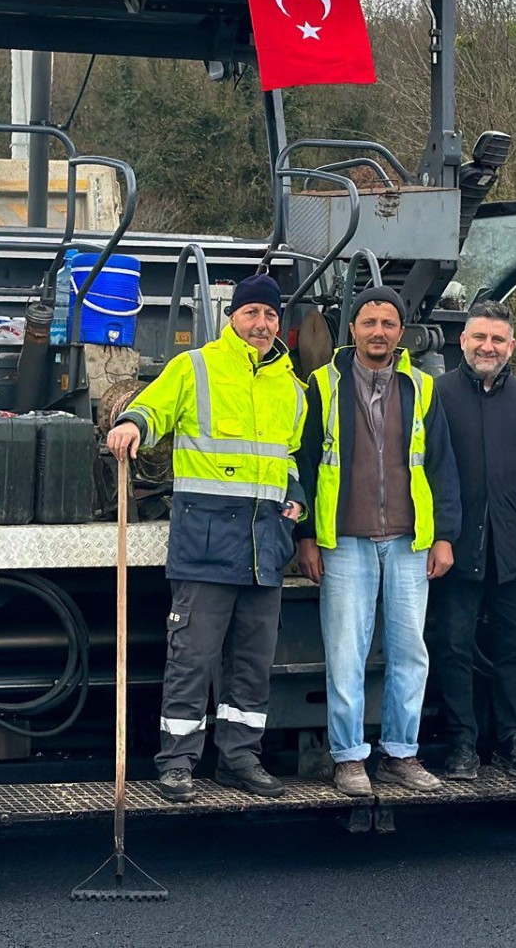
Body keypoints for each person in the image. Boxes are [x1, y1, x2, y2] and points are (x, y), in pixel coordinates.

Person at [106, 274, 308, 802]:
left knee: (252, 664)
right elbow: (153, 408)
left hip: (265, 547)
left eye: (270, 315)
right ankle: (177, 763)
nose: (261, 324)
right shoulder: (193, 366)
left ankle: (240, 759)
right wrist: (132, 424)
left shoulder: (291, 386)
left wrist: (296, 499)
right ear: (231, 317)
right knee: (192, 659)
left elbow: (288, 457)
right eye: (251, 313)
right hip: (206, 544)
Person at [295, 286, 460, 797]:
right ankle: (348, 759)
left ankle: (400, 754)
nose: (379, 332)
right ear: (352, 330)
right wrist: (306, 536)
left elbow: (441, 466)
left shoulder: (422, 387)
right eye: (369, 323)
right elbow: (303, 463)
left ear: (401, 332)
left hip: (409, 542)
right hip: (344, 541)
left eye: (388, 324)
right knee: (346, 655)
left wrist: (444, 537)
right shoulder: (323, 385)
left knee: (411, 653)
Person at [426, 300, 516, 781]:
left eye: (497, 339)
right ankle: (462, 742)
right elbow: (423, 471)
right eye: (480, 337)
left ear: (511, 346)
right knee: (453, 646)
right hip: (455, 548)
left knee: (514, 649)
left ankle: (512, 740)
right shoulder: (436, 395)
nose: (488, 347)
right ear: (462, 341)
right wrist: (439, 536)